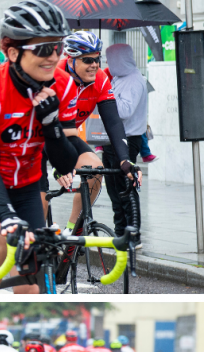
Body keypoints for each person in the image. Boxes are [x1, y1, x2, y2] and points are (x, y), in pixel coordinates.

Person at [0, 0, 79, 294]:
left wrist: (52, 124)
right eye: (43, 49)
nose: (53, 57)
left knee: (37, 274)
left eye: (58, 47)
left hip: (26, 185)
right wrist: (6, 217)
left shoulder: (63, 84)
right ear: (12, 52)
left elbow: (66, 163)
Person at [52, 32, 140, 277]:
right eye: (87, 60)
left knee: (95, 169)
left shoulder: (99, 79)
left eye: (97, 59)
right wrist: (60, 165)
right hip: (40, 138)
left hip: (68, 136)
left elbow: (113, 122)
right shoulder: (55, 76)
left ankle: (71, 232)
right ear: (71, 59)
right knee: (37, 196)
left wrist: (125, 159)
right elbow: (49, 127)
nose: (94, 65)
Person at [102, 43, 148, 247]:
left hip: (127, 140)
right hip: (112, 139)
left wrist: (107, 97)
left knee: (125, 187)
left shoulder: (134, 80)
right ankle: (120, 230)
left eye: (110, 59)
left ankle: (133, 234)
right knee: (113, 188)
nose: (107, 64)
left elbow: (125, 110)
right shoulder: (119, 79)